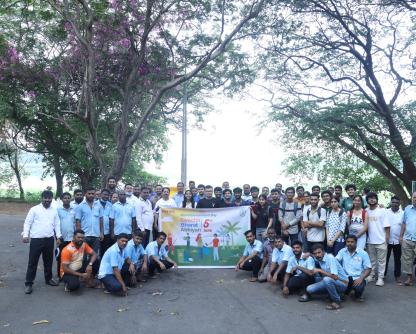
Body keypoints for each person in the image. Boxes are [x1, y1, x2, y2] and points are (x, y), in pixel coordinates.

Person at [22, 190, 62, 294]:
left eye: (49, 198)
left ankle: (48, 279)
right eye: (45, 198)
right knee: (32, 262)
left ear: (51, 199)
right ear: (42, 198)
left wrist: (58, 236)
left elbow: (57, 224)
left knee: (48, 261)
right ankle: (29, 283)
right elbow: (27, 223)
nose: (47, 200)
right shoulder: (34, 209)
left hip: (49, 240)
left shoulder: (54, 210)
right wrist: (26, 235)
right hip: (36, 240)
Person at [305, 243, 349, 310]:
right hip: (331, 282)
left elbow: (335, 277)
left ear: (323, 252)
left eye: (319, 252)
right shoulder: (318, 258)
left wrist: (320, 270)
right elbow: (312, 256)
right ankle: (332, 294)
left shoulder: (330, 258)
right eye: (315, 253)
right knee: (309, 289)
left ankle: (337, 301)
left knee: (326, 279)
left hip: (342, 283)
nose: (317, 255)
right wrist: (309, 254)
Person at [336, 235, 372, 301]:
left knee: (358, 288)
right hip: (345, 277)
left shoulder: (363, 253)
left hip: (357, 277)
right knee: (337, 284)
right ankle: (346, 291)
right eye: (348, 242)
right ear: (346, 242)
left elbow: (368, 268)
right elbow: (335, 261)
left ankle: (357, 294)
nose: (349, 243)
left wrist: (361, 278)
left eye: (352, 242)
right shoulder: (342, 251)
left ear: (356, 242)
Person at [366, 192, 390, 286]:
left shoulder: (382, 210)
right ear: (367, 200)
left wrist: (387, 237)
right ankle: (371, 275)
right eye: (370, 198)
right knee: (371, 260)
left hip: (381, 240)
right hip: (370, 240)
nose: (372, 199)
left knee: (381, 261)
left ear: (376, 199)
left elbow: (387, 225)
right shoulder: (366, 210)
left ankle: (380, 278)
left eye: (373, 198)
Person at [75, 187, 104, 256]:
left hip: (96, 235)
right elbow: (78, 221)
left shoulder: (98, 205)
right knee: (83, 256)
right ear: (85, 194)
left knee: (94, 256)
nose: (91, 195)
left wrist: (101, 233)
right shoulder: (80, 206)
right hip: (84, 236)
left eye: (93, 193)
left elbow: (101, 219)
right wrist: (79, 235)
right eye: (89, 193)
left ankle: (92, 266)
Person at [57, 192, 76, 279]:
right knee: (61, 257)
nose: (67, 199)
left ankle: (70, 274)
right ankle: (60, 275)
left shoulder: (73, 209)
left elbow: (75, 223)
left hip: (72, 238)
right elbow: (56, 224)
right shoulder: (58, 210)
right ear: (62, 199)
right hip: (62, 238)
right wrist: (57, 237)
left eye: (68, 198)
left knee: (72, 257)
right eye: (65, 198)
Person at [385, 196, 403, 282]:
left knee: (397, 259)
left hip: (398, 240)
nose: (395, 204)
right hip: (387, 239)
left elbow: (404, 226)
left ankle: (397, 276)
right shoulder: (385, 212)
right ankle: (383, 275)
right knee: (385, 258)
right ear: (390, 202)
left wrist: (401, 237)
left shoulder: (403, 213)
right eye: (393, 202)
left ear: (399, 203)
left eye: (396, 202)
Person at [400, 191, 416, 286]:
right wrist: (401, 236)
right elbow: (404, 223)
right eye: (414, 197)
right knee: (407, 260)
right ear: (412, 198)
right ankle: (409, 278)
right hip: (408, 239)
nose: (415, 199)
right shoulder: (407, 209)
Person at [99, 189, 113, 255]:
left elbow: (111, 218)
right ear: (101, 194)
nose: (106, 196)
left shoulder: (110, 205)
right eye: (104, 194)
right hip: (97, 232)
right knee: (98, 250)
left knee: (105, 250)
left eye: (107, 195)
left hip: (107, 232)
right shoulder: (95, 204)